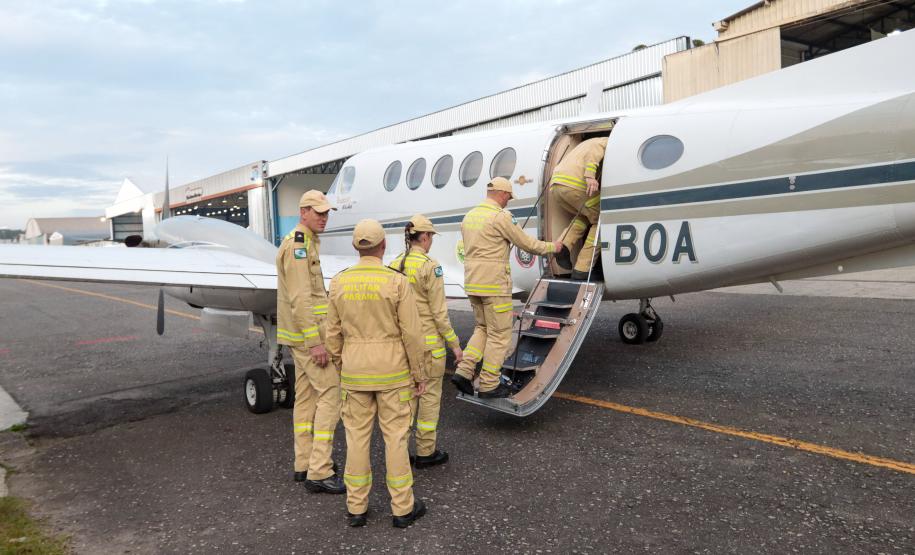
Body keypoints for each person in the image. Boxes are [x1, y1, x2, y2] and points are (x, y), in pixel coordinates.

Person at [324, 219, 429, 528]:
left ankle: (356, 508)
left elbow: (332, 334)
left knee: (356, 439)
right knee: (395, 439)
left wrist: (343, 364)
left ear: (356, 247)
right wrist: (419, 374)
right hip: (393, 373)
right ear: (384, 246)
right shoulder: (396, 281)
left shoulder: (339, 282)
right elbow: (413, 333)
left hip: (355, 373)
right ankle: (402, 508)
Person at [450, 177, 563, 399]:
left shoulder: (469, 216)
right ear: (502, 194)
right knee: (500, 335)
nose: (508, 202)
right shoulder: (501, 217)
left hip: (473, 283)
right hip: (495, 285)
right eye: (508, 198)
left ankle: (463, 372)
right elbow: (527, 244)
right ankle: (489, 384)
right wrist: (553, 247)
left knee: (482, 329)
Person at [275, 189, 344, 494]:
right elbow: (301, 298)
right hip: (308, 339)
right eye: (318, 213)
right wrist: (316, 342)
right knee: (333, 393)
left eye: (326, 213)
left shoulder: (306, 244)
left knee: (305, 400)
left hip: (300, 337)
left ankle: (303, 464)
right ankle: (320, 469)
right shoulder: (298, 247)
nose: (323, 217)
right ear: (303, 212)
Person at [388, 214, 462, 469]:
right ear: (425, 237)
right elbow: (439, 313)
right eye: (430, 236)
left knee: (406, 399)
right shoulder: (431, 266)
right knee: (429, 398)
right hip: (430, 347)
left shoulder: (395, 264)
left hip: (402, 346)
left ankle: (399, 453)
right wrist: (454, 344)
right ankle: (425, 451)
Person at [548, 136, 609, 280]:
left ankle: (563, 245)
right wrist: (590, 176)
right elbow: (596, 151)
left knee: (585, 216)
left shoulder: (583, 144)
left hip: (558, 186)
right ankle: (583, 268)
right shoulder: (605, 141)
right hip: (576, 185)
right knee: (602, 219)